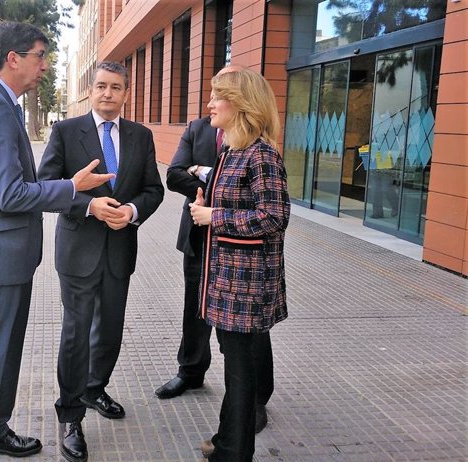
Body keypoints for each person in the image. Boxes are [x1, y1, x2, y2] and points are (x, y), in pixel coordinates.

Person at [0, 22, 113, 462]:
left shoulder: (1, 104)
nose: (45, 65)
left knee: (2, 356)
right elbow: (10, 193)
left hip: (2, 256)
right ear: (13, 58)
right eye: (40, 55)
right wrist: (71, 188)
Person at [38, 61, 164, 462]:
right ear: (90, 91)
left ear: (126, 93)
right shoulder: (65, 131)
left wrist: (130, 211)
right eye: (101, 87)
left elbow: (153, 189)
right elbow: (46, 186)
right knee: (76, 334)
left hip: (119, 250)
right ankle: (70, 415)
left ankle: (95, 388)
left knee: (109, 329)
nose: (108, 94)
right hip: (78, 251)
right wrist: (90, 205)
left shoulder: (141, 136)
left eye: (116, 87)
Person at [189, 68, 290, 461]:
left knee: (240, 372)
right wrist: (204, 206)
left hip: (246, 287)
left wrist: (214, 217)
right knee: (236, 368)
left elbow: (274, 216)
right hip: (227, 282)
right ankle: (226, 440)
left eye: (218, 97)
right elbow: (231, 204)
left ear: (242, 104)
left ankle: (234, 452)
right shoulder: (233, 150)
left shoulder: (261, 154)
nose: (210, 104)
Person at [158, 103, 274, 433]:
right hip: (198, 232)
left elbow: (265, 205)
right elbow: (174, 173)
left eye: (218, 94)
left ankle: (257, 399)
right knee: (194, 307)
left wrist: (206, 175)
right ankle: (191, 372)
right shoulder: (198, 128)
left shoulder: (257, 143)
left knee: (248, 325)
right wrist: (205, 180)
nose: (210, 101)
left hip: (238, 247)